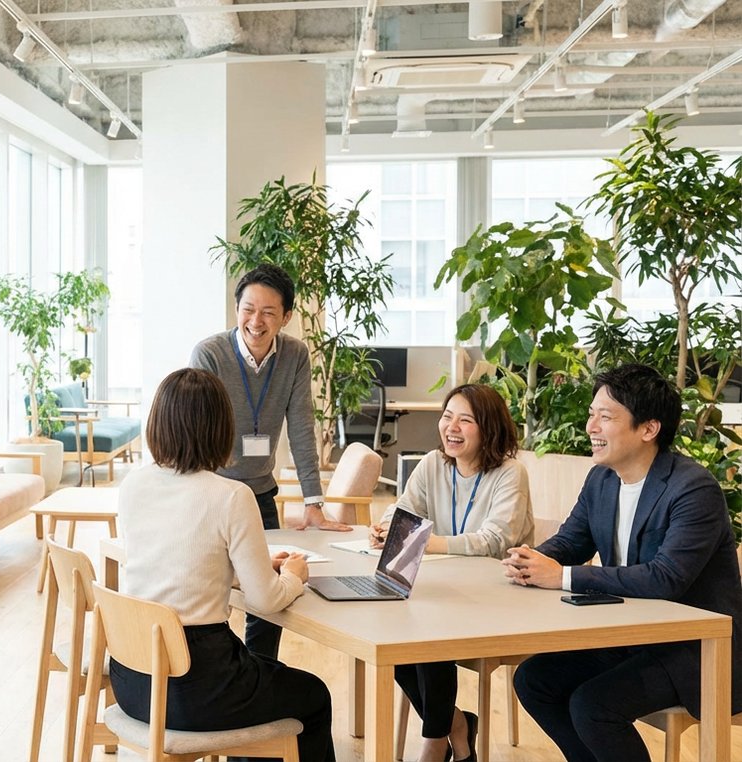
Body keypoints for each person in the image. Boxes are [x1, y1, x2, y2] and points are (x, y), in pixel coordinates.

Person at [503, 364, 742, 762]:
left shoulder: (692, 487)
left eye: (606, 417)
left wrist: (561, 576)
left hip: (693, 650)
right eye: (591, 414)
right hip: (631, 635)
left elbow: (665, 579)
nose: (591, 427)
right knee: (534, 681)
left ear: (648, 428)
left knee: (593, 706)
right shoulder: (602, 479)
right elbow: (571, 541)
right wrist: (531, 559)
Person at [111, 367, 336, 762]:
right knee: (313, 695)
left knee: (263, 675)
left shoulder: (132, 485)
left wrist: (241, 566)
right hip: (195, 687)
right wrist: (293, 576)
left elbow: (173, 562)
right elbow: (266, 601)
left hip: (133, 681)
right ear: (220, 428)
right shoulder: (232, 495)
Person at [189, 263, 347, 665]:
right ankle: (219, 668)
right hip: (211, 493)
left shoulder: (294, 355)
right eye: (248, 309)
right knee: (211, 584)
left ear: (286, 317)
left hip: (259, 491)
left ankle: (261, 672)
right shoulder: (210, 354)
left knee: (269, 591)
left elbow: (302, 428)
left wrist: (313, 503)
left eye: (268, 312)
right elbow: (198, 427)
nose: (255, 322)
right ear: (236, 309)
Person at [370, 383, 533, 762]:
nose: (451, 427)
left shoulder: (510, 473)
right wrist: (388, 527)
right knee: (392, 631)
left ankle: (435, 740)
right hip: (448, 591)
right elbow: (403, 510)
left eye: (465, 420)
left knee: (430, 633)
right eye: (447, 417)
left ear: (489, 428)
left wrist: (426, 541)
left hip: (498, 599)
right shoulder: (433, 464)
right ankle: (454, 725)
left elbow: (495, 539)